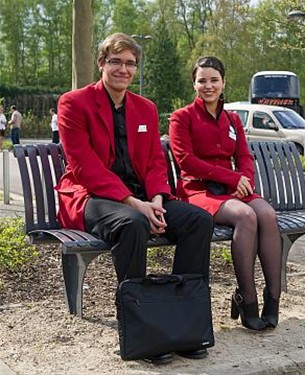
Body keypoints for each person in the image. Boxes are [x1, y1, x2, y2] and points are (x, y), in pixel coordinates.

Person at [56, 33, 213, 364]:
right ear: (102, 63)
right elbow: (83, 166)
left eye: (130, 63)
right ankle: (143, 330)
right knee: (132, 224)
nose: (123, 69)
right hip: (92, 196)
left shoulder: (146, 108)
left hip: (144, 197)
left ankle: (182, 322)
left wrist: (156, 197)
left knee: (198, 220)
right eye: (115, 61)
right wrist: (135, 204)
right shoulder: (74, 103)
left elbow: (156, 161)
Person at [169, 56, 282, 332]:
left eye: (214, 80)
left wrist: (244, 180)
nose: (208, 86)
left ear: (223, 82)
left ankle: (273, 299)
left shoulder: (233, 119)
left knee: (266, 213)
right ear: (194, 84)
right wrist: (232, 177)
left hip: (231, 190)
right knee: (246, 216)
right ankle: (248, 299)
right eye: (202, 80)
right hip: (198, 190)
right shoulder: (181, 118)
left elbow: (244, 156)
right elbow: (186, 161)